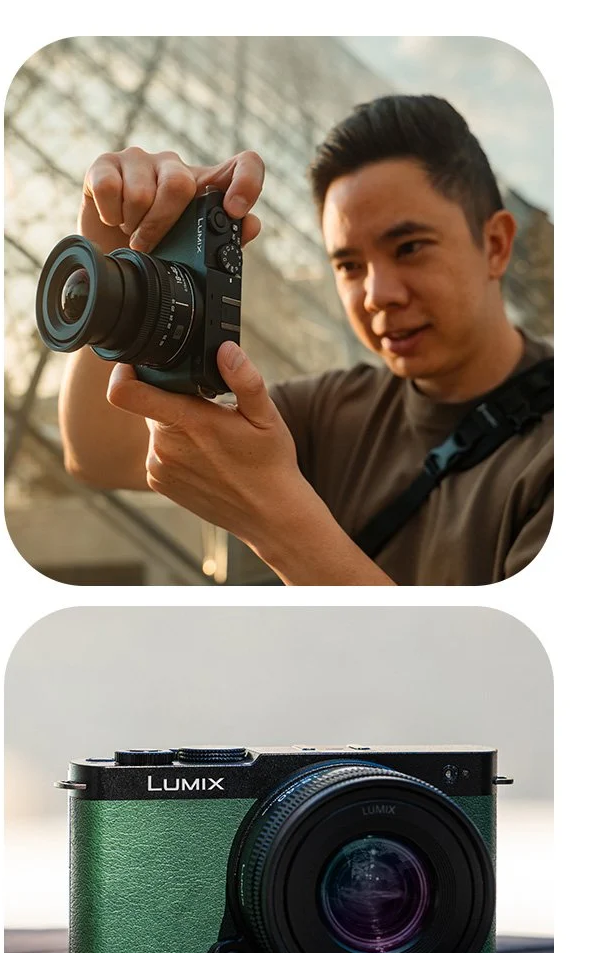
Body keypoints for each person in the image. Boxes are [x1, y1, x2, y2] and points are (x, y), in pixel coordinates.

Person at [58, 95, 552, 585]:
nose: (377, 295)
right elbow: (99, 451)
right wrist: (114, 258)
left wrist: (275, 524)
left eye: (409, 248)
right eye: (349, 266)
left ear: (496, 245)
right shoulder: (337, 411)